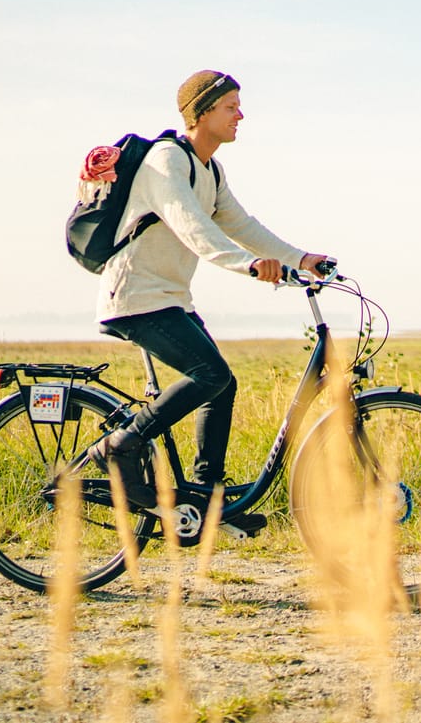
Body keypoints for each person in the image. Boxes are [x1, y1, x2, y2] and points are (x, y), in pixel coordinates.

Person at [84, 70, 330, 537]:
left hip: (168, 297)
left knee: (222, 383)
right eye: (230, 106)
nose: (241, 114)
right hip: (134, 296)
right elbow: (191, 226)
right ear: (201, 113)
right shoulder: (167, 162)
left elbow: (243, 225)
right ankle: (122, 445)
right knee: (210, 375)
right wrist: (249, 266)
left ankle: (206, 494)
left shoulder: (210, 169)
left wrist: (302, 259)